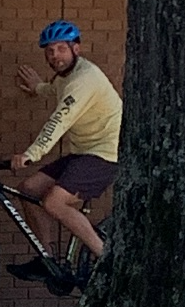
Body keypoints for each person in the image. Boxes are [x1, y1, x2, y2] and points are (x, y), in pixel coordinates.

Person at [9, 18, 120, 284]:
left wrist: (31, 154)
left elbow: (59, 120)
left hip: (106, 153)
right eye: (49, 51)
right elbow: (55, 90)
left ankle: (108, 260)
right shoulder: (65, 77)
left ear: (76, 49)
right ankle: (46, 260)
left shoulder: (85, 79)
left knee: (54, 202)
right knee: (28, 189)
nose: (54, 55)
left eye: (60, 48)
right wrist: (38, 88)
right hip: (82, 152)